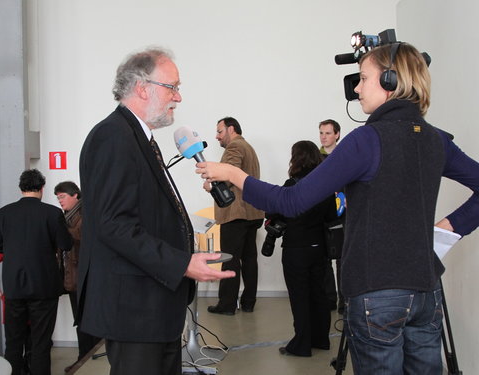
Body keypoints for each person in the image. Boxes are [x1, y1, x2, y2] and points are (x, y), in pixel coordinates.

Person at [196, 42, 479, 374]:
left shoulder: (366, 140)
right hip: (426, 292)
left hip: (377, 295)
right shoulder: (436, 140)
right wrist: (451, 227)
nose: (356, 88)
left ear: (390, 81)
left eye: (363, 78)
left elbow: (292, 201)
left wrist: (234, 175)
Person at [78, 47, 235, 375]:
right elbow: (113, 224)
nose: (178, 97)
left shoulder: (137, 136)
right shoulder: (113, 137)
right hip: (134, 311)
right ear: (142, 88)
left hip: (152, 307)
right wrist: (182, 263)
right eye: (172, 87)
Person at [0, 169, 72, 375]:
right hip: (44, 287)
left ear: (21, 188)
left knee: (13, 343)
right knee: (41, 343)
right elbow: (65, 244)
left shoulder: (3, 213)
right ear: (42, 188)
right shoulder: (52, 213)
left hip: (13, 287)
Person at [270, 140, 337, 357]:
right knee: (319, 294)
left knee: (299, 297)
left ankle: (301, 345)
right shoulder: (326, 185)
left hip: (296, 248)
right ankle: (321, 340)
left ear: (296, 158)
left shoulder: (292, 185)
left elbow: (279, 213)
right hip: (318, 247)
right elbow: (331, 217)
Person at [205, 117, 264, 315]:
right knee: (249, 259)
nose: (217, 136)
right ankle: (248, 302)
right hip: (252, 212)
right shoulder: (248, 147)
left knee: (230, 259)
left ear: (231, 129)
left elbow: (229, 173)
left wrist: (211, 185)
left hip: (236, 213)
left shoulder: (234, 148)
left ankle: (227, 304)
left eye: (220, 131)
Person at [54, 181, 101, 372]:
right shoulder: (68, 217)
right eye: (58, 197)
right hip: (75, 277)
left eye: (62, 196)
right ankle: (83, 358)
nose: (60, 201)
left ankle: (88, 359)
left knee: (88, 321)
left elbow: (87, 239)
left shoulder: (85, 215)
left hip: (87, 278)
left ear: (75, 195)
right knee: (81, 321)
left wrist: (60, 231)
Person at [319, 118, 345, 314]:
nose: (324, 137)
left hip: (342, 214)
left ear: (337, 134)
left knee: (342, 258)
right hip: (322, 213)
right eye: (321, 132)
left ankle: (344, 301)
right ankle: (328, 299)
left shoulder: (346, 156)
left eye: (328, 133)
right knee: (324, 259)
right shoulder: (316, 158)